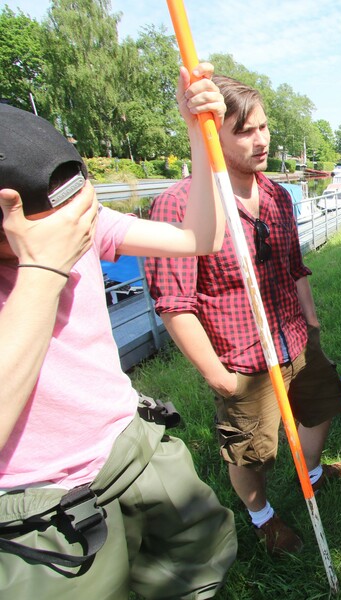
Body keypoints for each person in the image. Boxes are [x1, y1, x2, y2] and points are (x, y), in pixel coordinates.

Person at [0, 65, 237, 598]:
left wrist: (200, 134)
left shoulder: (78, 220)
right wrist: (42, 269)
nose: (79, 232)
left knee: (200, 568)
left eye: (83, 215)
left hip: (129, 448)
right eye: (61, 229)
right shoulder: (49, 248)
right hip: (39, 509)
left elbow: (201, 236)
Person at [144, 75, 341, 557]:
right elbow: (175, 305)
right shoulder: (178, 206)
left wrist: (311, 323)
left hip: (296, 338)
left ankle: (312, 474)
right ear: (212, 135)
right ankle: (263, 516)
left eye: (264, 127)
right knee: (252, 452)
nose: (261, 140)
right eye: (245, 131)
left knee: (322, 405)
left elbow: (295, 268)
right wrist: (218, 377)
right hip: (241, 360)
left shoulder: (277, 195)